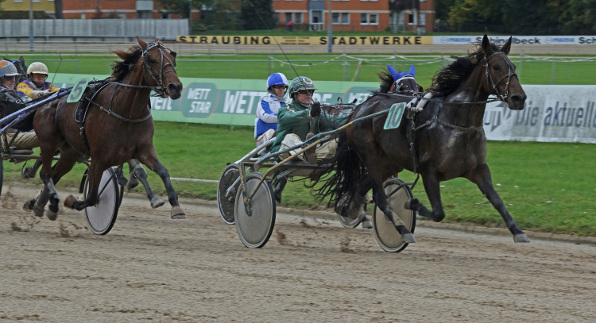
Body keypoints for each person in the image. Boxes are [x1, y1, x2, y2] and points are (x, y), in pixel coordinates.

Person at [270, 76, 372, 228]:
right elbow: (287, 119)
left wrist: (357, 119)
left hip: (314, 155)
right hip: (286, 153)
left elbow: (336, 123)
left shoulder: (317, 111)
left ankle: (311, 153)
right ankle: (306, 151)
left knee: (340, 143)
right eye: (304, 92)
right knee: (291, 137)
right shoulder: (286, 109)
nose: (308, 94)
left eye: (310, 91)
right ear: (294, 94)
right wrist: (309, 115)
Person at [0, 60, 37, 153]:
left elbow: (32, 104)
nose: (13, 80)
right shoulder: (3, 93)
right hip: (6, 138)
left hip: (18, 132)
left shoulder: (17, 93)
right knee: (52, 133)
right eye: (9, 77)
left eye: (15, 77)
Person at [254, 72, 288, 147]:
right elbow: (266, 116)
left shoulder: (285, 104)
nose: (281, 89)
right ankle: (274, 144)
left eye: (283, 87)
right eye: (278, 86)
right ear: (271, 88)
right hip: (262, 139)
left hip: (279, 137)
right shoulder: (264, 101)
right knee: (271, 132)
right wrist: (285, 116)